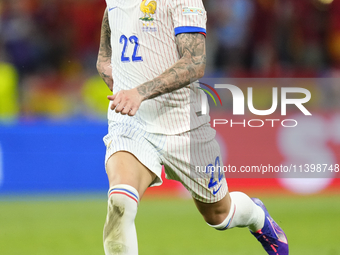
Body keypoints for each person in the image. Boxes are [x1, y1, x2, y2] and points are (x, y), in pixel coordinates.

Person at [96, 0, 289, 254]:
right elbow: (113, 9)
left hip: (183, 125)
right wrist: (104, 55)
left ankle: (256, 216)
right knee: (121, 202)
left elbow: (195, 63)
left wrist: (140, 93)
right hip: (132, 121)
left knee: (220, 215)